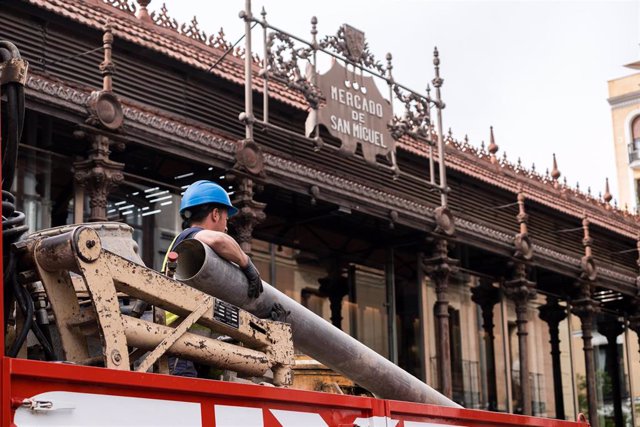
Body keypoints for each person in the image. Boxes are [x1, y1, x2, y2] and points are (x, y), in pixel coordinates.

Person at [163, 180, 264, 377]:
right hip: (178, 340)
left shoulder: (201, 252)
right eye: (226, 218)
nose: (226, 227)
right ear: (216, 214)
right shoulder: (189, 237)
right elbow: (219, 240)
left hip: (191, 343)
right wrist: (247, 264)